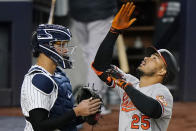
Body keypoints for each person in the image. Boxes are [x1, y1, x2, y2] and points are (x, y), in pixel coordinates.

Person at [91, 2, 179, 131]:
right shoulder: (129, 81)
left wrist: (126, 86)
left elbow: (152, 110)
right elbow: (100, 66)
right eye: (149, 56)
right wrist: (113, 31)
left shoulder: (162, 92)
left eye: (154, 58)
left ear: (162, 71)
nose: (146, 58)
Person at [20, 24, 101, 131]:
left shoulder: (58, 75)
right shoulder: (39, 80)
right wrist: (76, 111)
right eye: (61, 45)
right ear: (47, 47)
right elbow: (39, 126)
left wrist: (85, 114)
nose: (66, 50)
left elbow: (60, 118)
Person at [68, 0, 118, 114]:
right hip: (101, 10)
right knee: (96, 57)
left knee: (89, 55)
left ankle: (92, 98)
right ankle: (94, 103)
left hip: (78, 10)